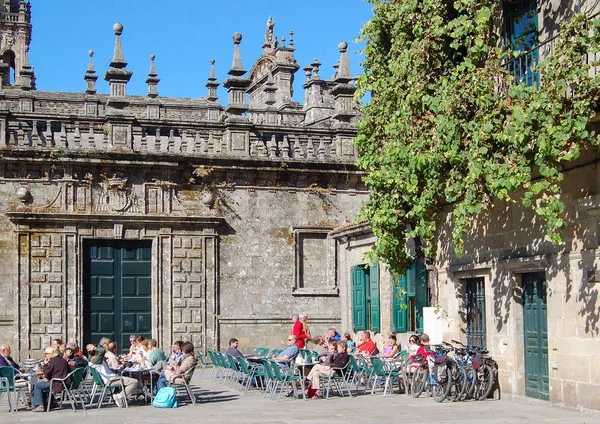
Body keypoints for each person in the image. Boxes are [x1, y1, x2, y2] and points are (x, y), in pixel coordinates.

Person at [31, 346, 71, 412]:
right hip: (64, 382)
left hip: (57, 383)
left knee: (37, 385)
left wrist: (45, 364)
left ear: (51, 354)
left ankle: (40, 405)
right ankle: (52, 402)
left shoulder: (53, 361)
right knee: (42, 384)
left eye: (46, 353)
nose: (45, 355)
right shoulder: (61, 360)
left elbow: (46, 373)